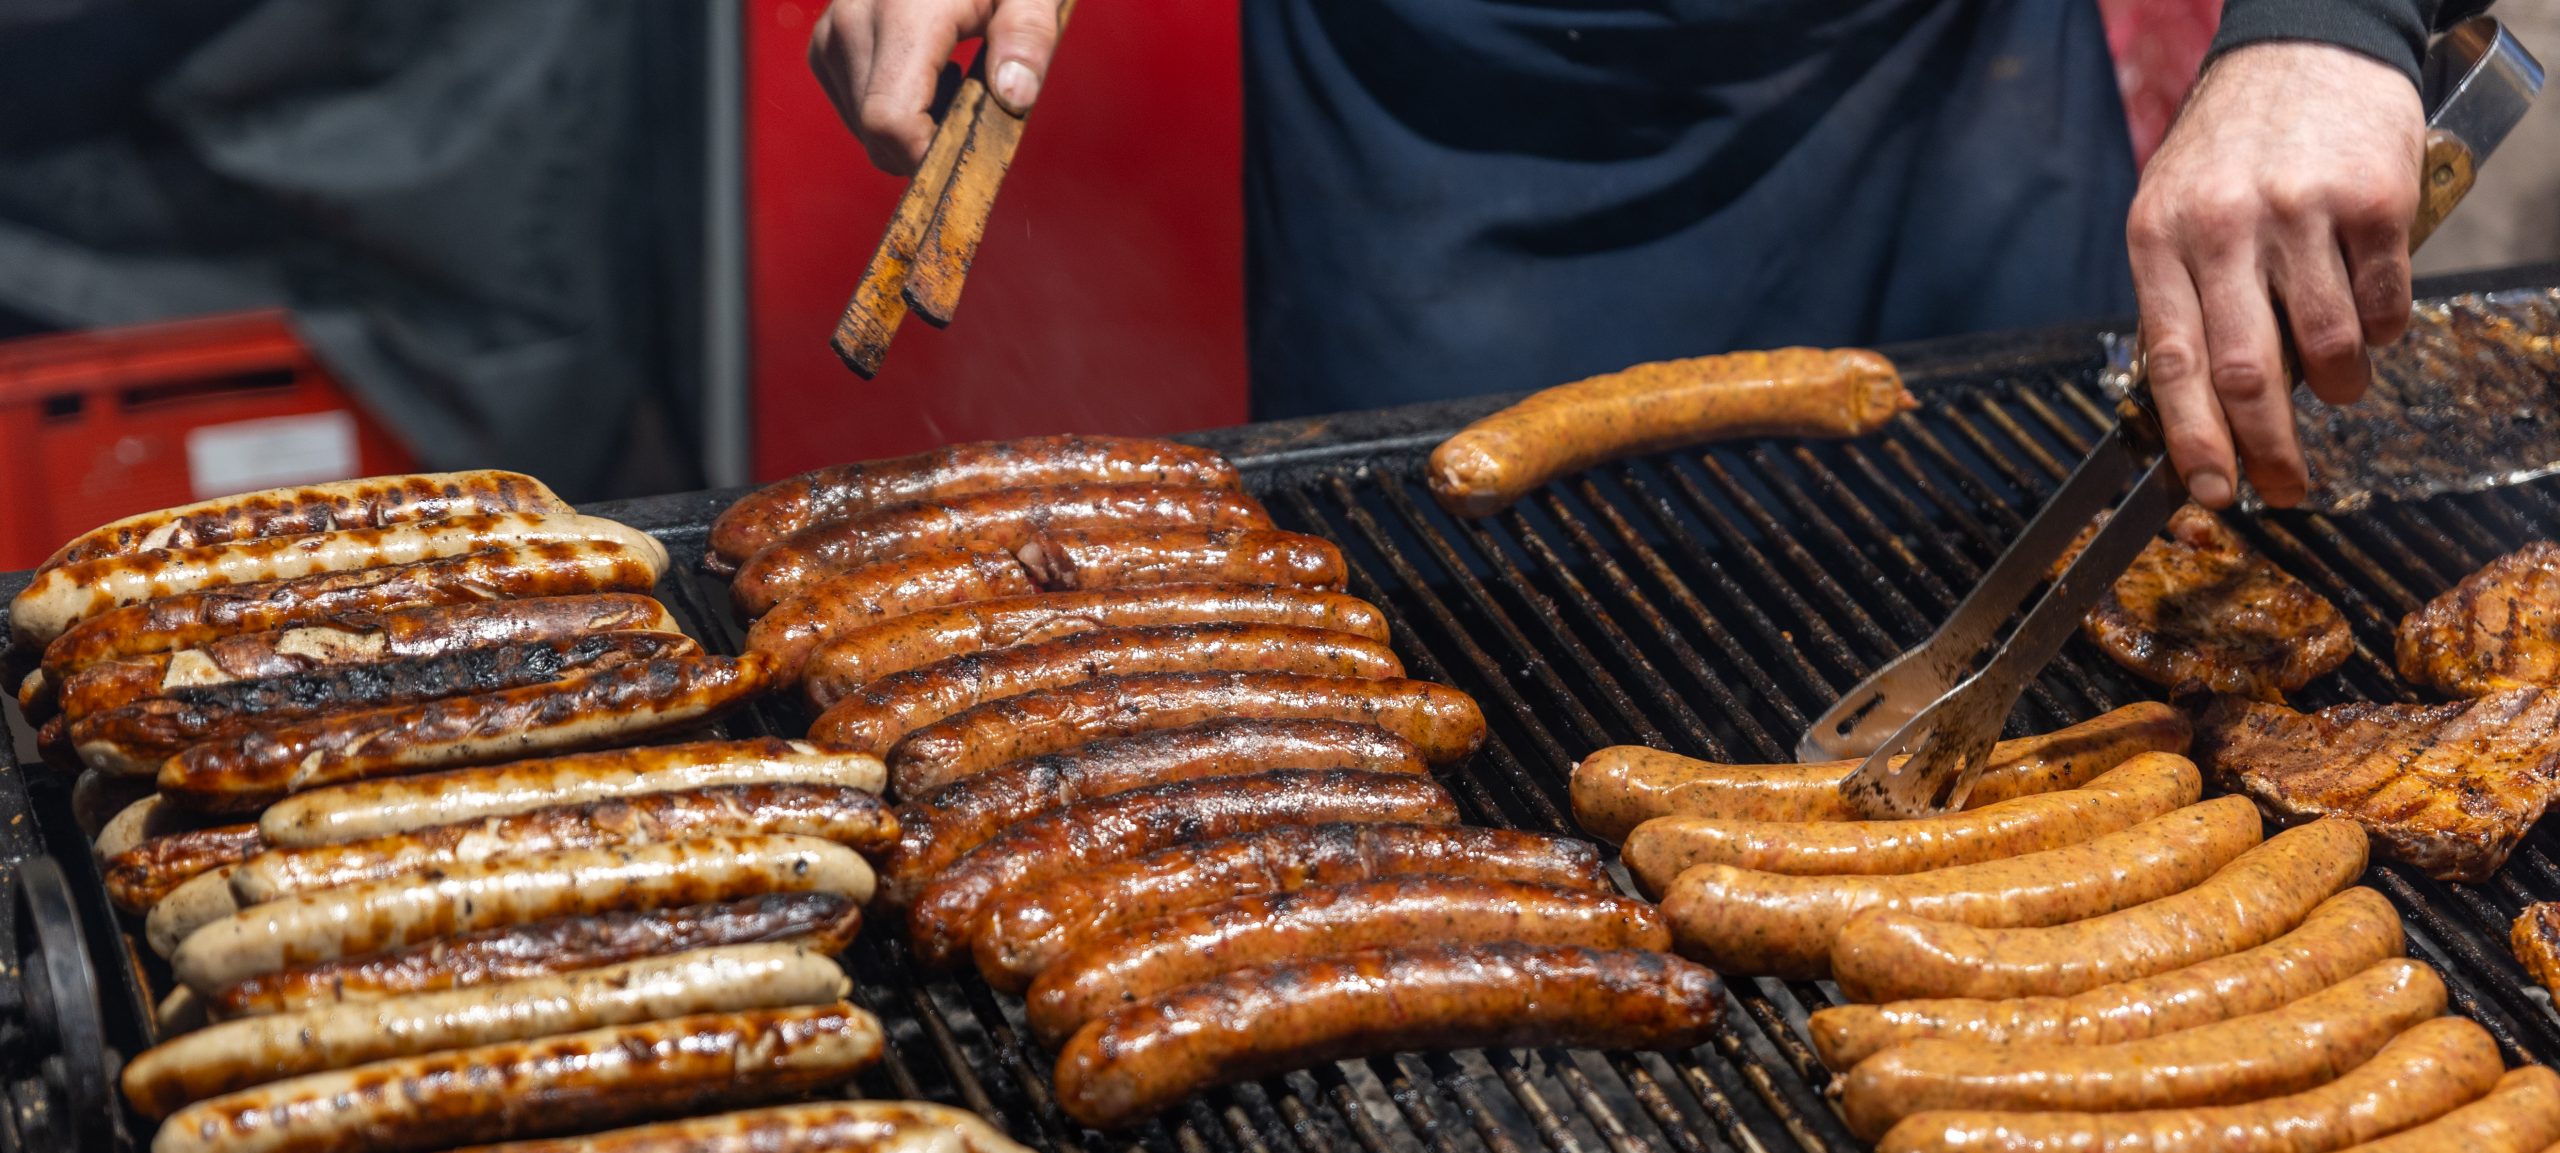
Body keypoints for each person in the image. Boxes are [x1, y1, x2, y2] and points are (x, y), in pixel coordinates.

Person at [809, 1, 2484, 513]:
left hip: (1940, 96)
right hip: (1442, 126)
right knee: (1469, 715)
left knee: (2056, 649)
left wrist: (2324, 19)